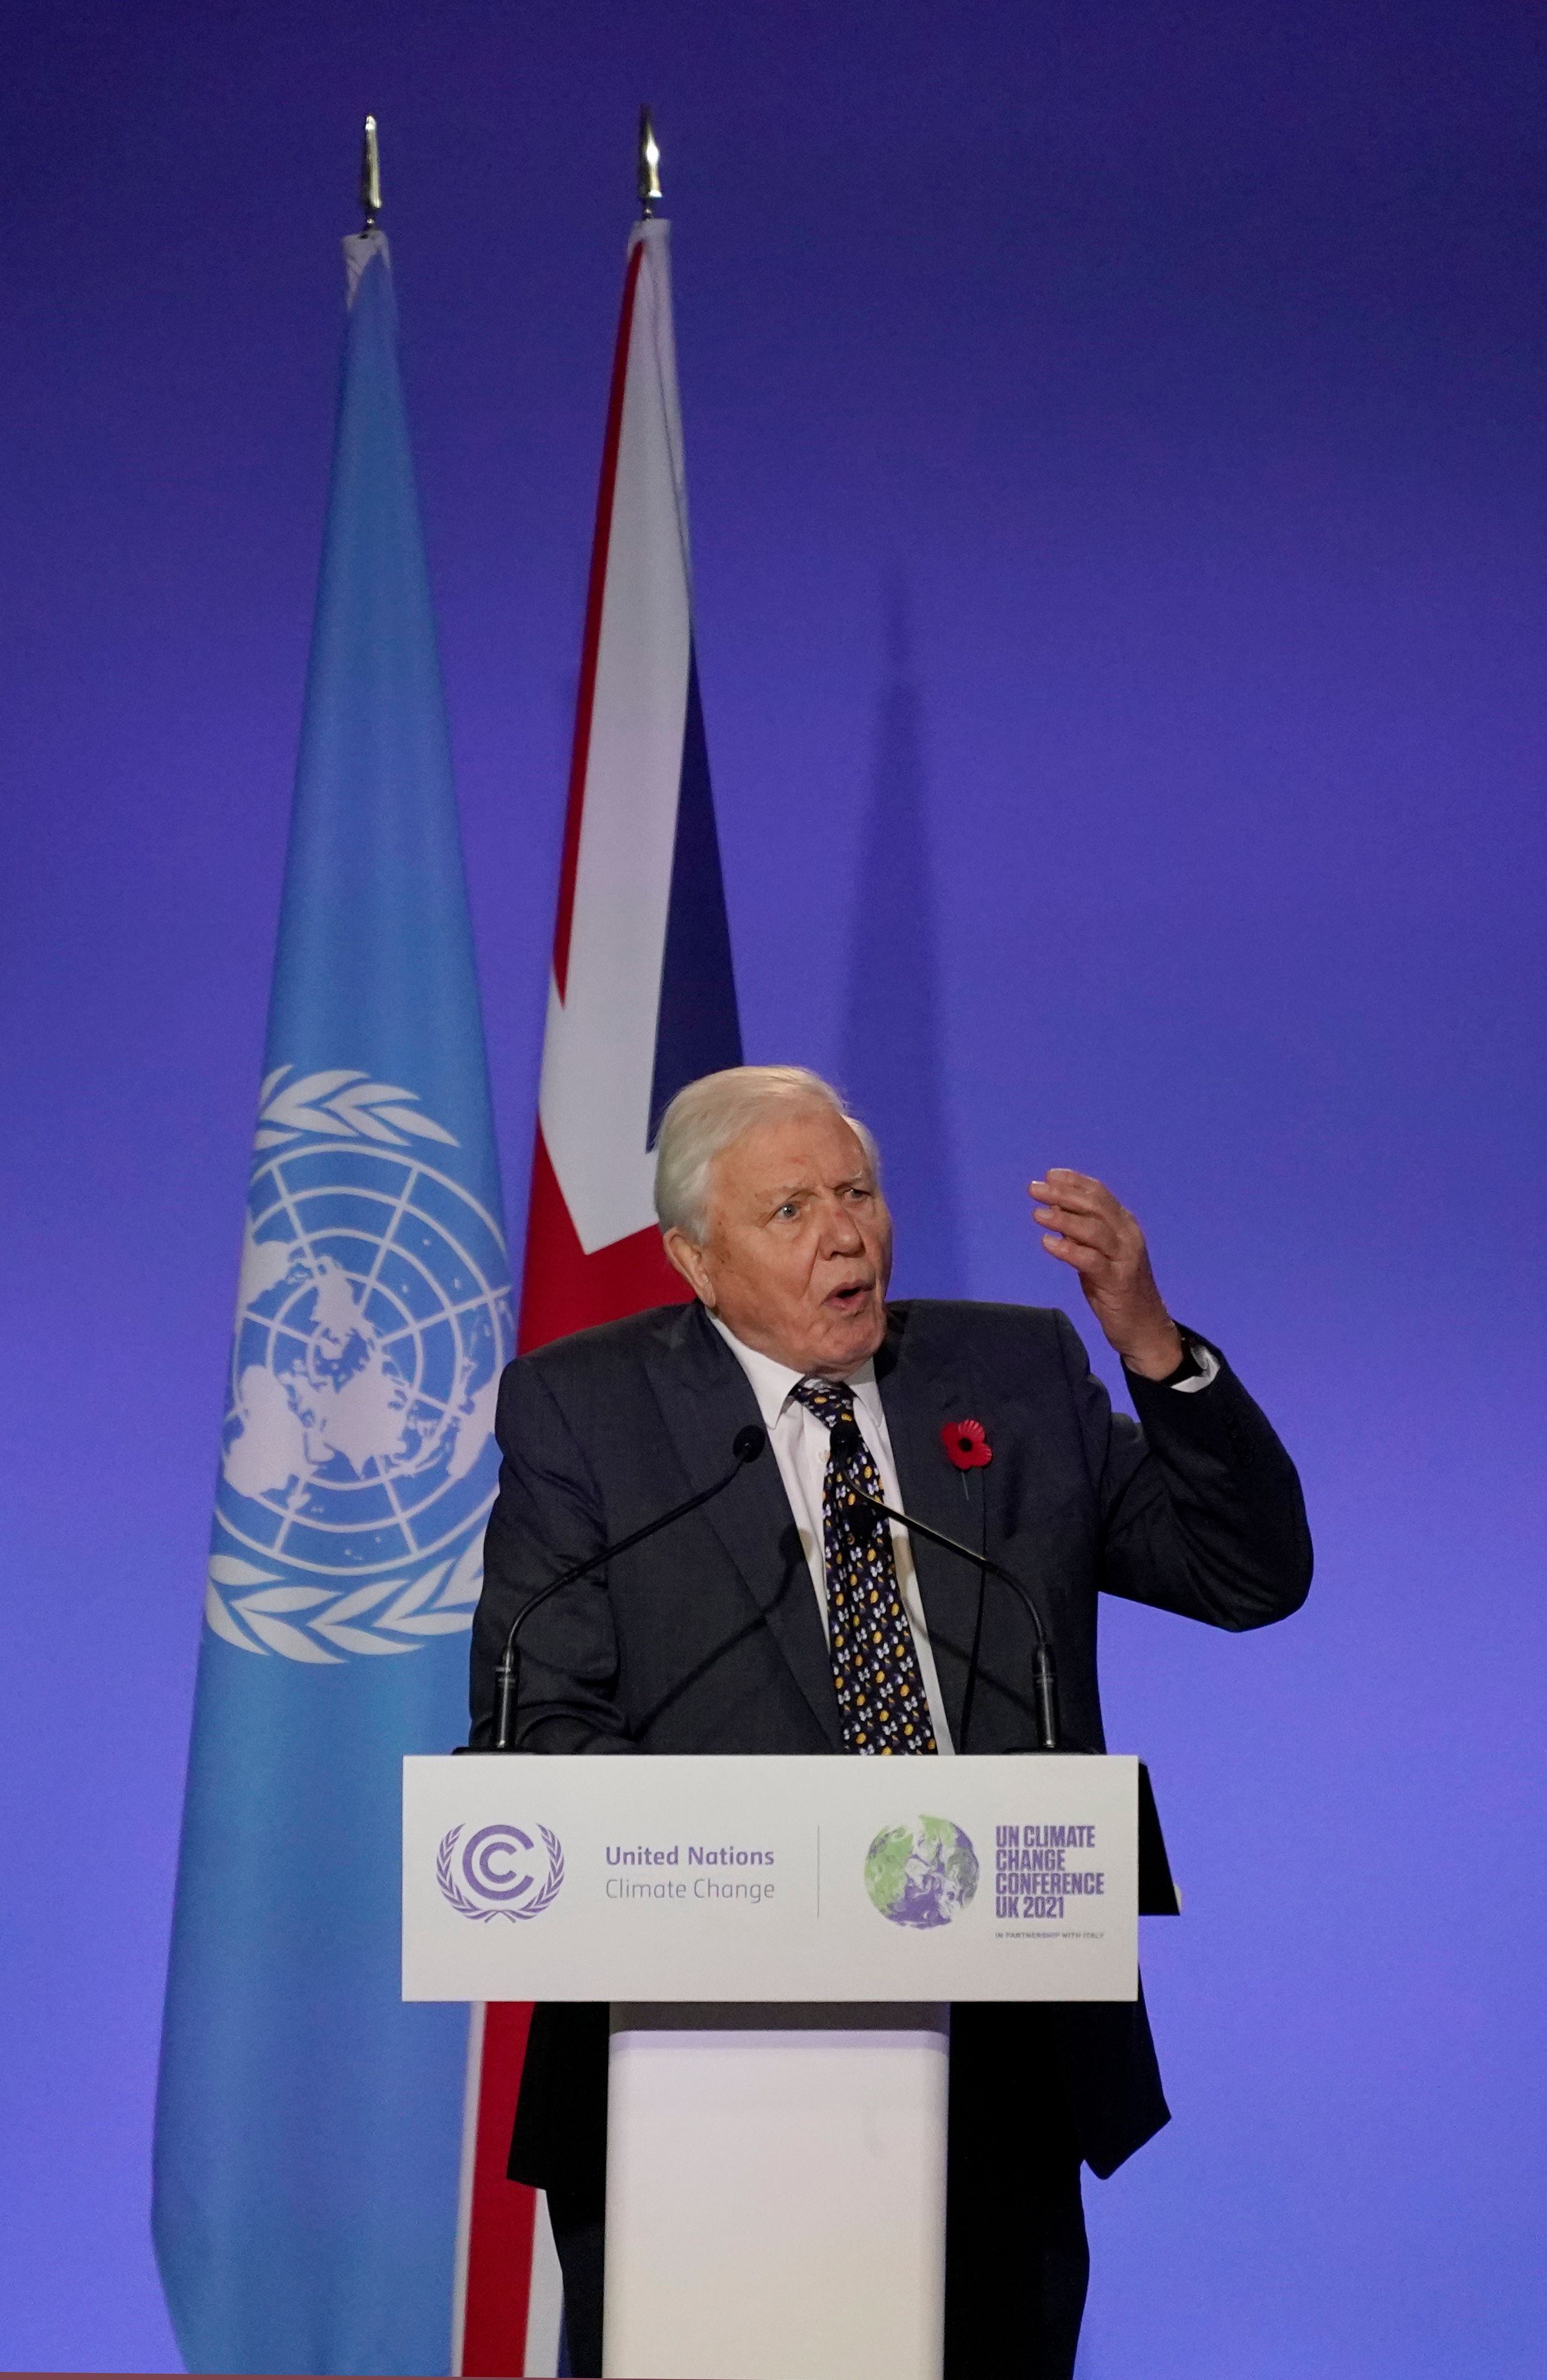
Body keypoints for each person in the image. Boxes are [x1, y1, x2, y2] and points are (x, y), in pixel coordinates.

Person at [469, 1064, 1311, 2380]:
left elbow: (1246, 1575)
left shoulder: (1011, 1376)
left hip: (990, 2048)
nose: (843, 1234)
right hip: (686, 2058)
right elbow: (542, 1722)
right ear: (695, 1259)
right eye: (790, 1209)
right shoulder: (587, 1410)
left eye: (856, 1193)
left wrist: (1151, 1346)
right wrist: (752, 1872)